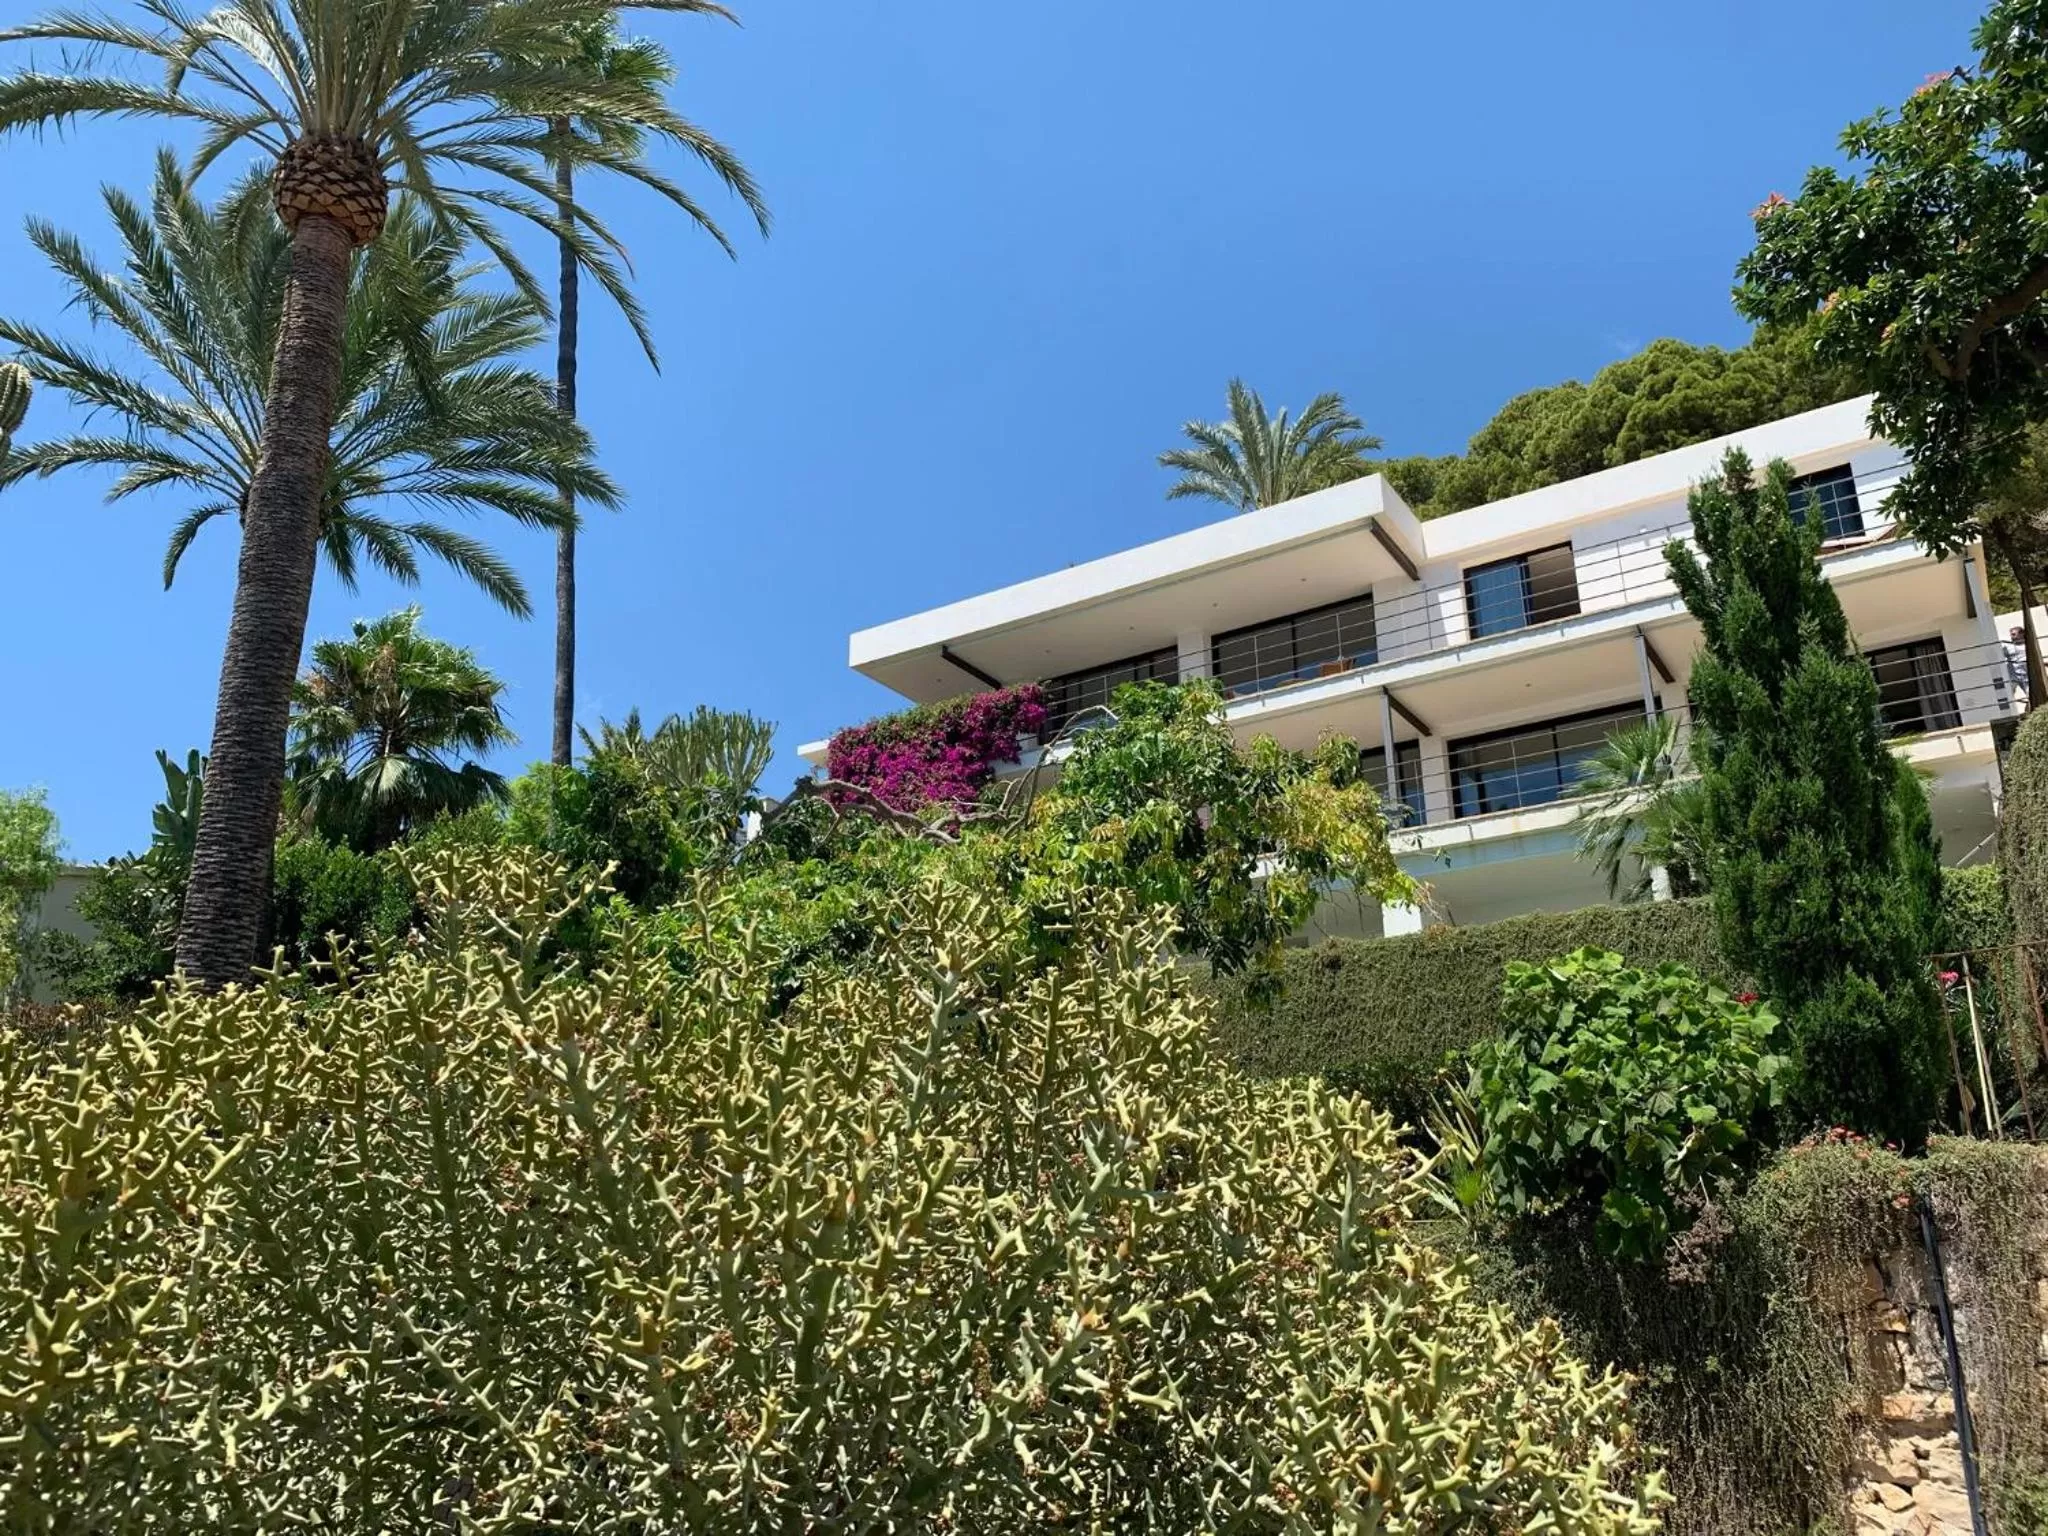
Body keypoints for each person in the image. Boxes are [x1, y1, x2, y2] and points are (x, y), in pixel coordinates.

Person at [2009, 625, 2032, 709]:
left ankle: (2029, 710)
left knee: (2031, 696)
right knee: (2007, 695)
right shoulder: (2008, 647)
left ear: (2022, 634)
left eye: (2014, 634)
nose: (2012, 637)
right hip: (2013, 677)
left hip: (2026, 677)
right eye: (2011, 635)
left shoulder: (2029, 645)